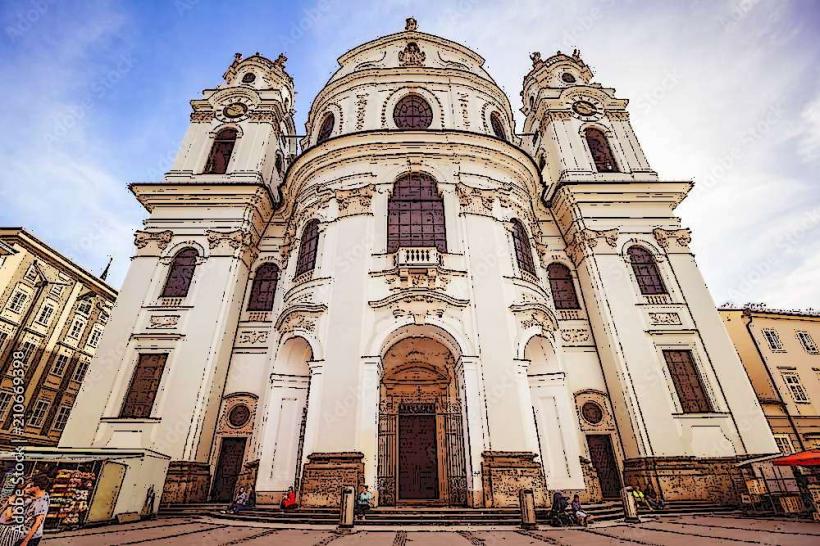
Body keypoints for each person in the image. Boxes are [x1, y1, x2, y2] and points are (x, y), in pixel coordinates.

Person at [17, 474, 50, 546]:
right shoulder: (38, 495)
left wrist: (26, 541)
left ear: (37, 487)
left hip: (31, 537)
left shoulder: (42, 502)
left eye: (32, 485)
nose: (30, 486)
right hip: (22, 533)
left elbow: (38, 523)